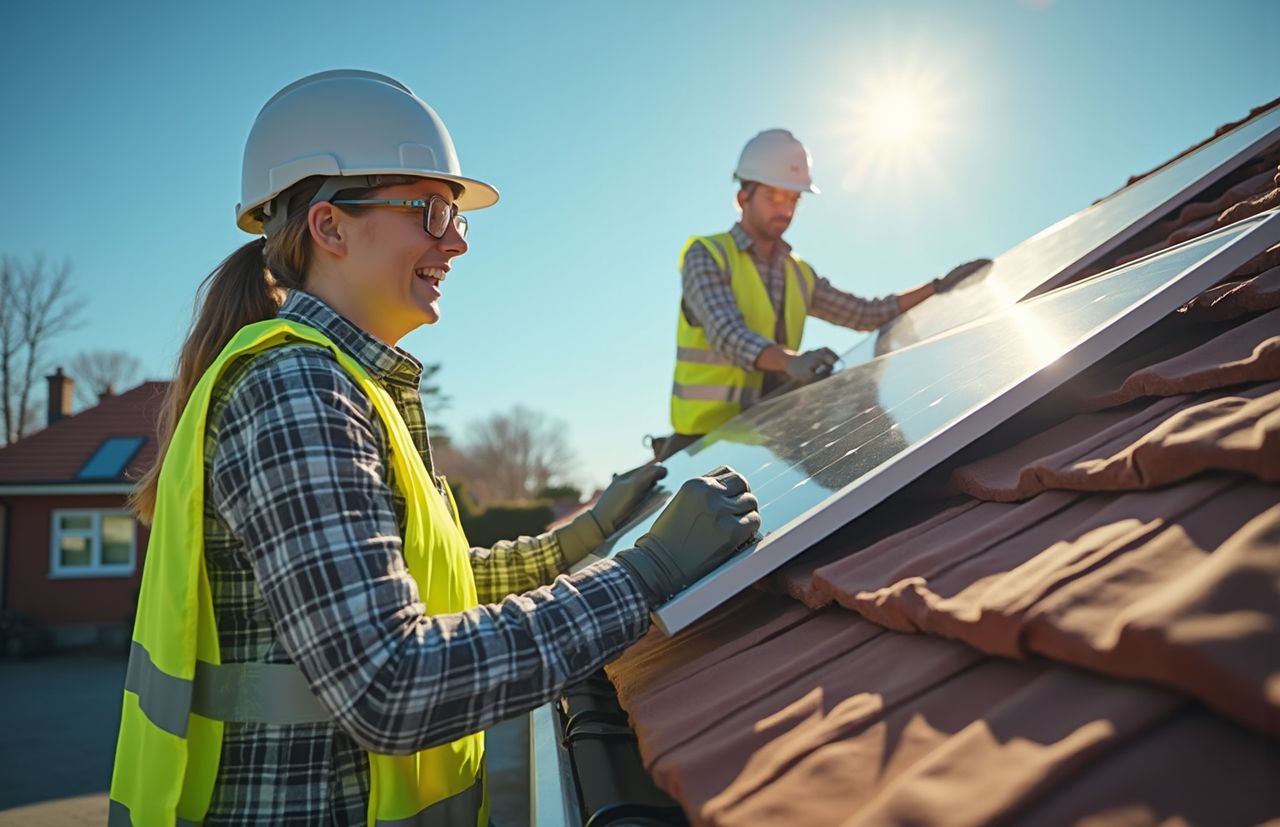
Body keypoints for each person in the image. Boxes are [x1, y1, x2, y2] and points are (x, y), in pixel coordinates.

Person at [109, 69, 760, 826]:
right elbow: (391, 682)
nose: (456, 241)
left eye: (456, 216)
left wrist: (588, 535)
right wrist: (644, 576)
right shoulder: (299, 393)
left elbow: (441, 583)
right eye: (432, 210)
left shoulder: (349, 385)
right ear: (330, 227)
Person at [668, 128, 991, 446]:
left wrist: (937, 287)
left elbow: (865, 314)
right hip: (703, 443)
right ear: (743, 197)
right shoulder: (708, 255)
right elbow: (729, 335)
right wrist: (791, 362)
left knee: (865, 420)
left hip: (764, 431)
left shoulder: (797, 273)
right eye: (773, 196)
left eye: (793, 199)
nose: (785, 209)